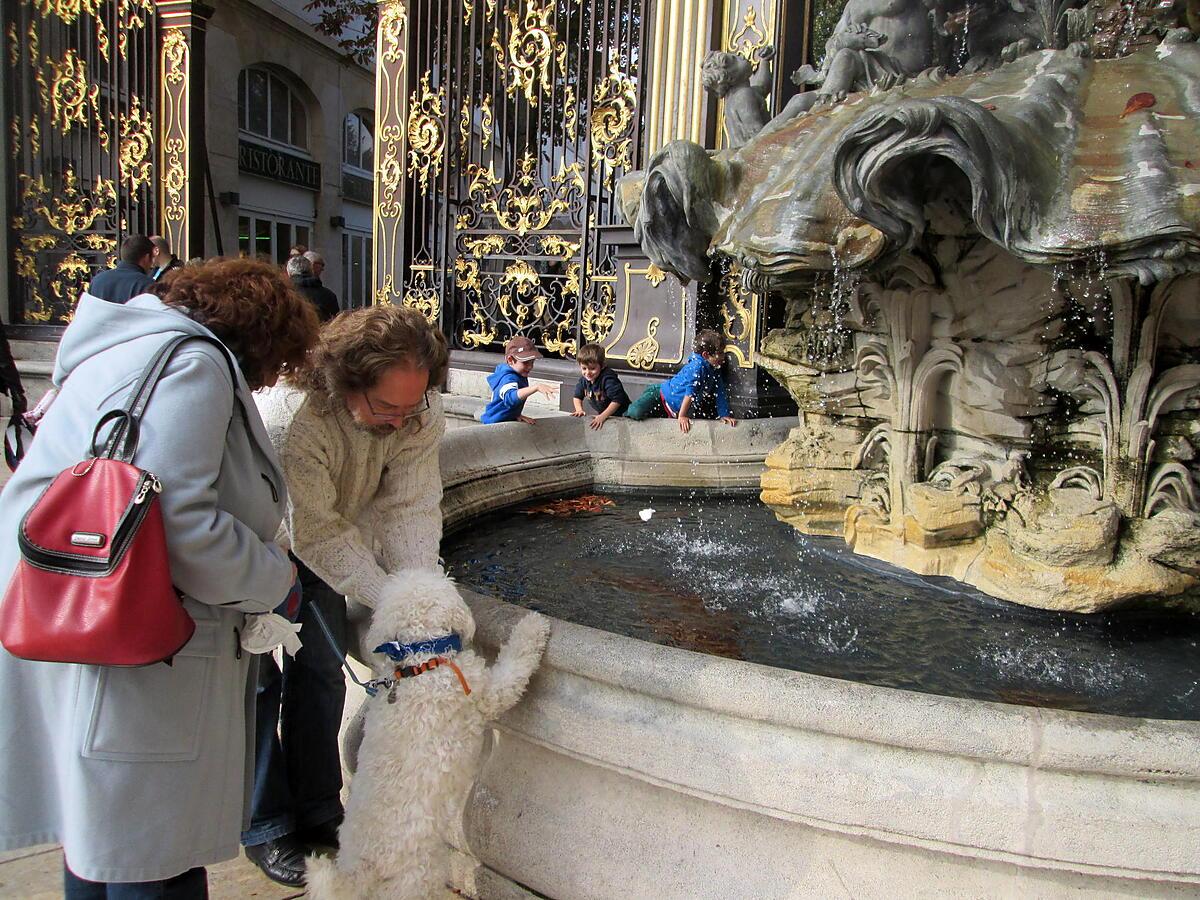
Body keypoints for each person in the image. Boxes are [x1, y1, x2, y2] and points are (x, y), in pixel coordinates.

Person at [0, 258, 320, 898]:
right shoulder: (193, 365)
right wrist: (275, 577)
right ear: (263, 337)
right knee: (151, 852)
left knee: (99, 842)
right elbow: (178, 523)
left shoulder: (118, 349)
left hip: (71, 611)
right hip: (144, 644)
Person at [247, 305, 449, 886]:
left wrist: (416, 600)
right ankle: (264, 824)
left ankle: (318, 808)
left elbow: (410, 503)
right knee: (258, 684)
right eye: (387, 408)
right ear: (345, 383)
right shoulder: (295, 415)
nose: (401, 421)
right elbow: (313, 531)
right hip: (264, 543)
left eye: (412, 407)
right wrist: (389, 597)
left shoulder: (417, 410)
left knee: (324, 672)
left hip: (332, 543)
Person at [625, 329, 739, 433]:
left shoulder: (714, 367)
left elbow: (720, 391)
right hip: (660, 395)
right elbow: (690, 393)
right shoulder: (697, 366)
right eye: (720, 353)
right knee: (636, 412)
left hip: (672, 408)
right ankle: (622, 411)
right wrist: (682, 416)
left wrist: (724, 414)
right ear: (705, 355)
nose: (723, 357)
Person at [479, 336, 557, 424]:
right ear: (510, 360)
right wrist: (536, 387)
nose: (530, 366)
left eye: (532, 362)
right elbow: (510, 398)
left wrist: (514, 415)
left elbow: (507, 405)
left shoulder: (518, 374)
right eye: (525, 362)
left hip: (504, 420)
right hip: (494, 424)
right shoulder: (508, 378)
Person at [571, 342, 629, 430]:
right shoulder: (584, 380)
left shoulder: (608, 380)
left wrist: (603, 416)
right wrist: (579, 410)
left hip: (623, 414)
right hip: (605, 413)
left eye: (592, 368)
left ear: (602, 366)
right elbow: (577, 396)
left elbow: (617, 400)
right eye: (584, 368)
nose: (588, 373)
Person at [87, 234, 155, 303]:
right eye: (152, 258)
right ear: (146, 257)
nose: (152, 265)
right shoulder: (147, 284)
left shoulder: (97, 280)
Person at [287, 255, 340, 323]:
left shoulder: (283, 294)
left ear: (289, 273)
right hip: (322, 332)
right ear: (311, 271)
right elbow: (337, 324)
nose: (322, 269)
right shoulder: (329, 295)